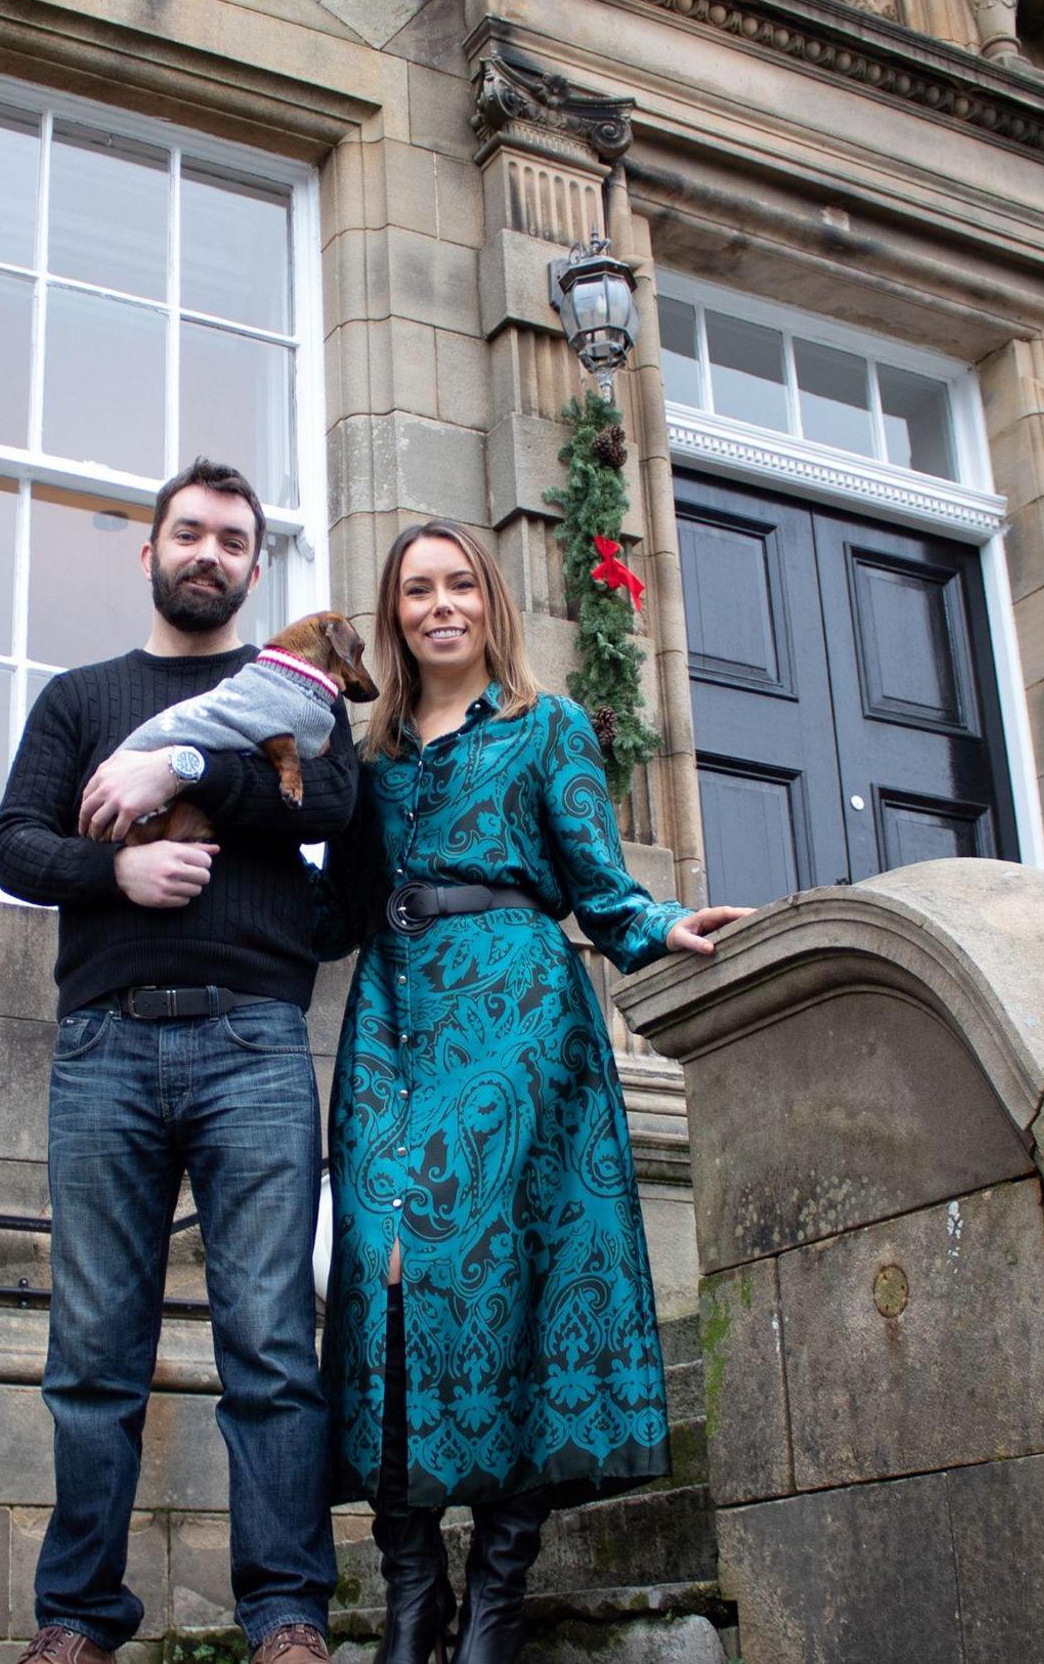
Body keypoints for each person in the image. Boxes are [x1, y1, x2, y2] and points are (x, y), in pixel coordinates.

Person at [314, 520, 750, 1664]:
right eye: (417, 589)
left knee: (494, 1274)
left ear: (490, 602)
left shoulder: (546, 727)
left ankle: (493, 1596)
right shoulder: (367, 759)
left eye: (460, 583)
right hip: (389, 1023)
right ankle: (414, 1584)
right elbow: (331, 916)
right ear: (394, 612)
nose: (440, 603)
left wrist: (665, 924)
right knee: (379, 1272)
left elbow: (601, 890)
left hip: (514, 1019)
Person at [0, 458, 349, 1664]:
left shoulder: (298, 695)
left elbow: (331, 809)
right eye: (187, 533)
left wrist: (183, 768)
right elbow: (15, 846)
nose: (209, 553)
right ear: (148, 553)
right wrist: (119, 872)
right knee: (93, 1352)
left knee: (269, 1345)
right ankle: (78, 1623)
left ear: (257, 566)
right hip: (104, 1045)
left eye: (232, 540)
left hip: (253, 1041)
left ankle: (288, 1618)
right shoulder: (82, 697)